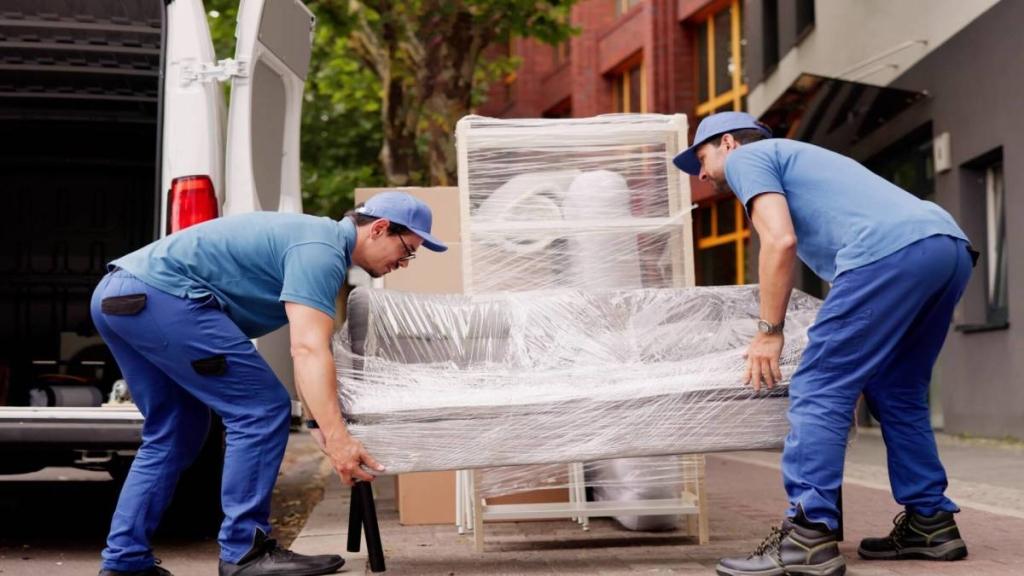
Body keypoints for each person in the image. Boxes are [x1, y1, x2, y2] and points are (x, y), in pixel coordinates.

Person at [673, 112, 974, 576]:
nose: (701, 173)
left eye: (701, 158)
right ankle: (930, 522)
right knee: (898, 390)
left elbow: (780, 241)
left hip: (889, 253)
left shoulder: (748, 159)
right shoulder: (800, 159)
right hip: (947, 247)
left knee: (819, 385)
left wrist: (768, 333)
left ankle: (808, 536)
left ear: (727, 142)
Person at [91, 192, 447, 576]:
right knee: (260, 409)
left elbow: (308, 349)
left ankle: (125, 560)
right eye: (407, 250)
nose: (403, 263)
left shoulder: (315, 240)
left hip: (119, 295)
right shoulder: (322, 250)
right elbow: (307, 349)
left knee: (176, 428)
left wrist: (317, 422)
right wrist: (338, 438)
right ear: (379, 228)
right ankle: (246, 550)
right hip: (160, 297)